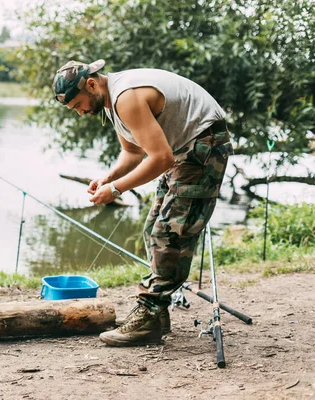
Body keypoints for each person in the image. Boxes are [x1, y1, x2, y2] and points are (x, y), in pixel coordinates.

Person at [52, 60, 233, 347]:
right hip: (185, 148)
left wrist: (116, 189)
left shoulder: (126, 97)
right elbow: (133, 153)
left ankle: (148, 315)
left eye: (79, 105)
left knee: (170, 232)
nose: (82, 112)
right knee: (153, 228)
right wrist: (107, 178)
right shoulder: (112, 104)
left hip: (204, 145)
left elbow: (161, 159)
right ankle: (156, 315)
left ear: (91, 84)